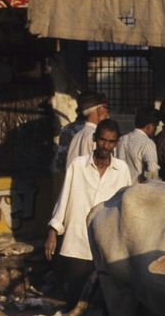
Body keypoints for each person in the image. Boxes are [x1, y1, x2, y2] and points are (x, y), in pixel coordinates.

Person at [46, 118, 131, 299]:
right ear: (94, 138)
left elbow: (125, 207)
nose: (105, 145)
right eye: (102, 140)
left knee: (110, 303)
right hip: (79, 240)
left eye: (110, 142)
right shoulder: (78, 165)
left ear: (117, 143)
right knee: (76, 300)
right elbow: (64, 197)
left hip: (107, 244)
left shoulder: (122, 169)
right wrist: (53, 231)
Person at [116, 106, 160, 182]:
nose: (156, 129)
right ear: (149, 127)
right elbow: (152, 170)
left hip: (120, 188)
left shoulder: (121, 140)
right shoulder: (148, 143)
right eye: (155, 126)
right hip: (138, 189)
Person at [65, 92, 109, 167]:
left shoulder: (77, 136)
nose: (107, 114)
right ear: (100, 111)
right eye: (107, 109)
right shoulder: (96, 136)